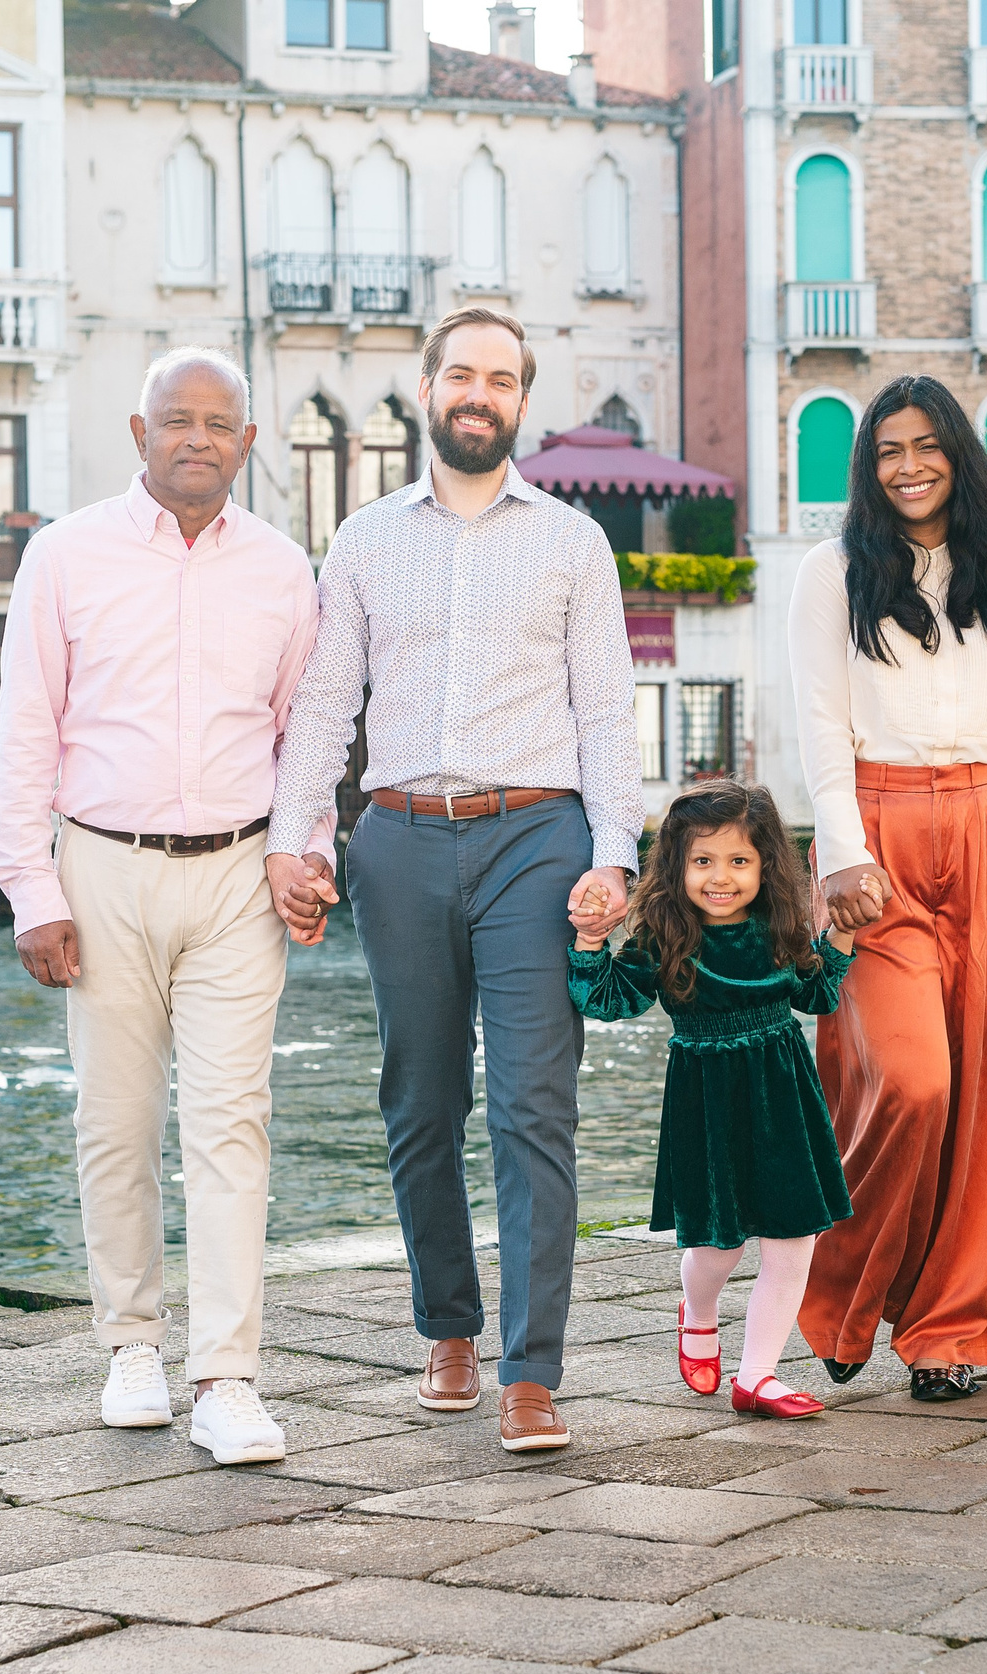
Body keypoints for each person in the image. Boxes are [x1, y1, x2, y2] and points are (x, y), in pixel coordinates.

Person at [266, 307, 644, 1454]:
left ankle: (532, 1372)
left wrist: (615, 853)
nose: (479, 394)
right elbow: (328, 703)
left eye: (502, 379)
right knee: (419, 1098)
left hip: (539, 840)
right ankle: (448, 1328)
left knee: (536, 1102)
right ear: (427, 390)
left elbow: (607, 711)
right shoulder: (366, 540)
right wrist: (299, 839)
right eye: (460, 374)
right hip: (398, 838)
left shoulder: (575, 542)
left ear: (522, 402)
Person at [0, 347, 329, 1466]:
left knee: (233, 1125)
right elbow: (26, 728)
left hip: (237, 876)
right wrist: (29, 889)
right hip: (101, 868)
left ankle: (227, 1375)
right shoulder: (64, 556)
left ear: (246, 444)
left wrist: (303, 852)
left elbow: (304, 742)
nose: (196, 438)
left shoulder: (285, 572)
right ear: (139, 435)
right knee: (116, 1121)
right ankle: (129, 1344)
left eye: (217, 422)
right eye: (175, 419)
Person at [789, 374, 987, 1404]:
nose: (907, 467)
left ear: (958, 452)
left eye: (925, 447)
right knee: (910, 1084)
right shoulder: (832, 573)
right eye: (886, 452)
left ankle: (952, 1330)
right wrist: (841, 856)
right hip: (878, 835)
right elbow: (819, 728)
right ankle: (839, 1296)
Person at [567, 781, 856, 1417]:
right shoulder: (666, 937)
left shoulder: (778, 928)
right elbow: (607, 1000)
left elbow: (818, 996)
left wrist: (839, 939)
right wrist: (590, 944)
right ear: (676, 865)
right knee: (719, 1245)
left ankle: (757, 1376)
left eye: (738, 861)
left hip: (784, 1092)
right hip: (707, 1095)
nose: (720, 877)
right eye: (703, 861)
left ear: (765, 865)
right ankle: (697, 1313)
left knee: (793, 1237)